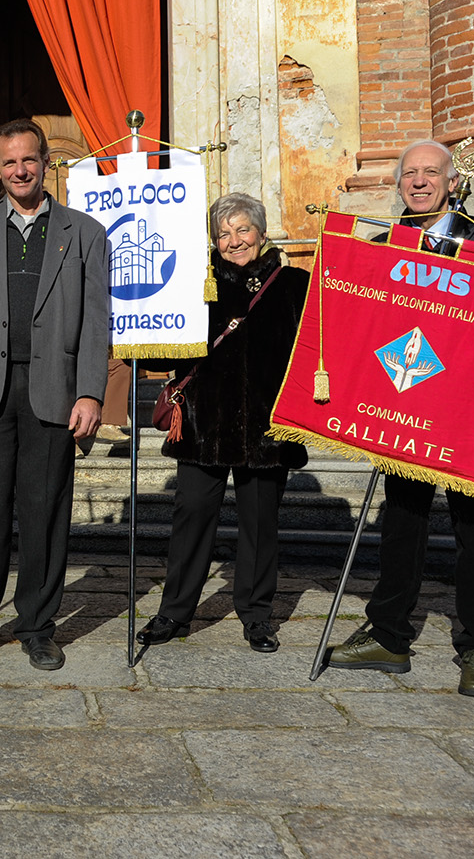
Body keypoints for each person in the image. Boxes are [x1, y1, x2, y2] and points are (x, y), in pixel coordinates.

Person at [326, 139, 474, 698]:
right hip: (409, 403)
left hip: (472, 418)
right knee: (402, 523)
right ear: (399, 185)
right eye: (410, 174)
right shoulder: (381, 246)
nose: (419, 182)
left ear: (452, 182)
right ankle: (390, 636)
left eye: (430, 173)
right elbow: (363, 327)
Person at [0, 119, 109, 671]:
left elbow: (97, 322)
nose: (20, 170)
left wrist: (91, 392)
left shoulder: (85, 232)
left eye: (30, 160)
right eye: (9, 162)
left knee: (45, 512)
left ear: (47, 164)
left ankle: (39, 626)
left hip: (53, 390)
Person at [136, 193, 310, 654]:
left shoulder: (295, 284)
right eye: (223, 233)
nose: (233, 241)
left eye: (242, 230)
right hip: (203, 424)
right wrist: (141, 330)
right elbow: (163, 352)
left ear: (262, 232)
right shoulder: (197, 282)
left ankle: (256, 615)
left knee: (259, 524)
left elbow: (320, 349)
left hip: (267, 428)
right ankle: (174, 612)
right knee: (191, 515)